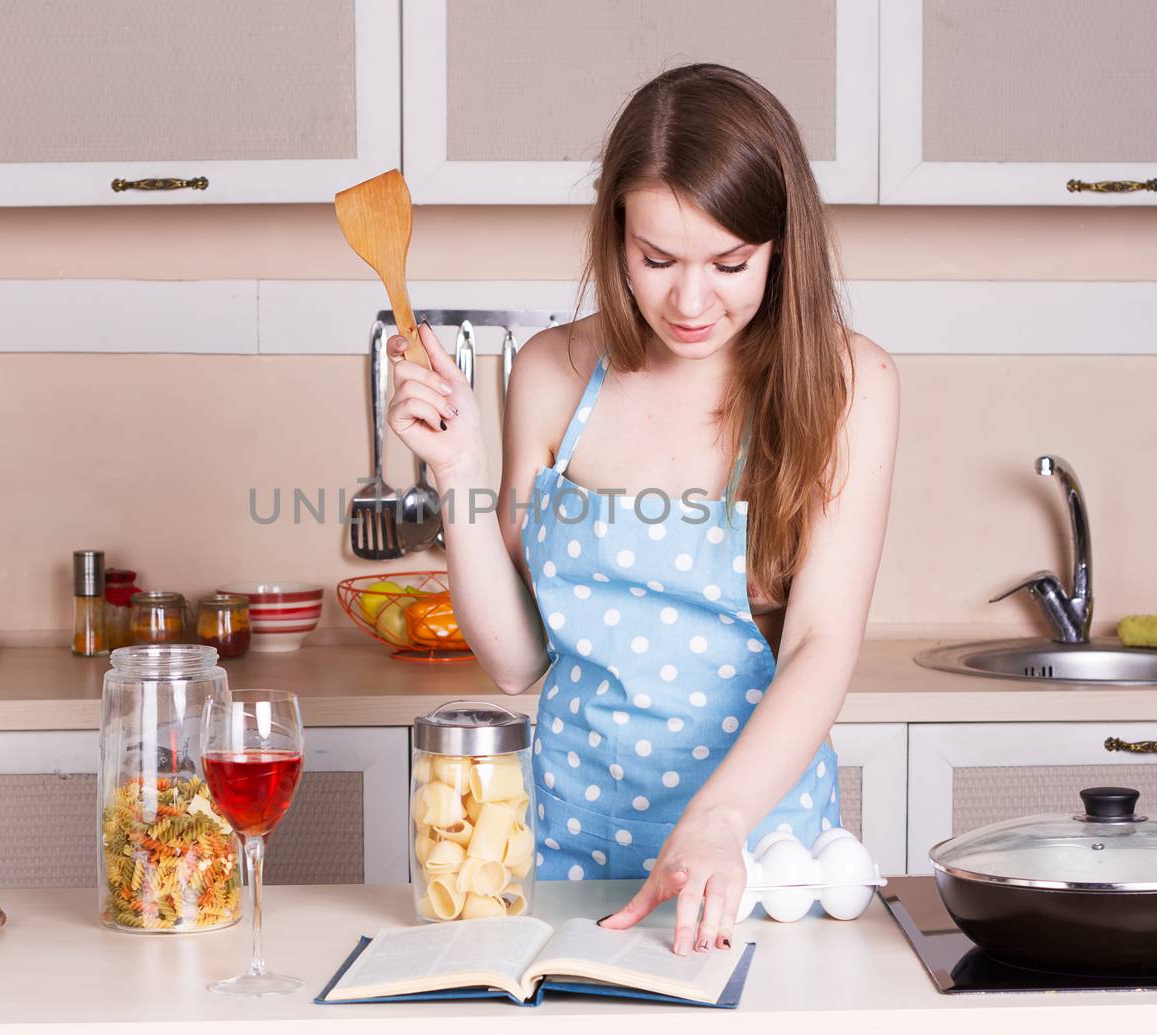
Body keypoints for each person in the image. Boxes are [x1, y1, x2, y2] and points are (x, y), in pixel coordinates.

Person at [384, 63, 899, 956]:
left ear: (782, 246)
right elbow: (515, 661)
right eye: (656, 260)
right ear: (614, 233)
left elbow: (822, 642)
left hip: (752, 854)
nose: (690, 301)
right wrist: (457, 469)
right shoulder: (551, 372)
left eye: (730, 263)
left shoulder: (849, 383)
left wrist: (716, 822)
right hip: (567, 848)